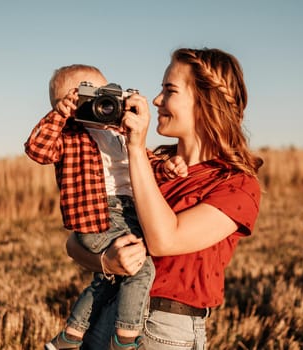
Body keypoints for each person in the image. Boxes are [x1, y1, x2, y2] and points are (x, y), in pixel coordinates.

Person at [66, 48, 263, 350]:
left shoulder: (235, 185)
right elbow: (75, 242)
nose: (157, 100)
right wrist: (106, 262)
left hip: (163, 328)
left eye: (169, 90)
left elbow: (164, 240)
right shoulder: (154, 164)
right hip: (107, 314)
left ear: (205, 102)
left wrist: (134, 148)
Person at [23, 64, 187, 350]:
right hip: (99, 214)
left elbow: (144, 168)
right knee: (142, 269)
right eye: (90, 95)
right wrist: (60, 114)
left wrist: (168, 168)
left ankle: (70, 337)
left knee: (109, 278)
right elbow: (37, 149)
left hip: (128, 212)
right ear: (70, 100)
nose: (103, 101)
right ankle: (125, 340)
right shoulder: (69, 135)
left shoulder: (119, 133)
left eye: (107, 92)